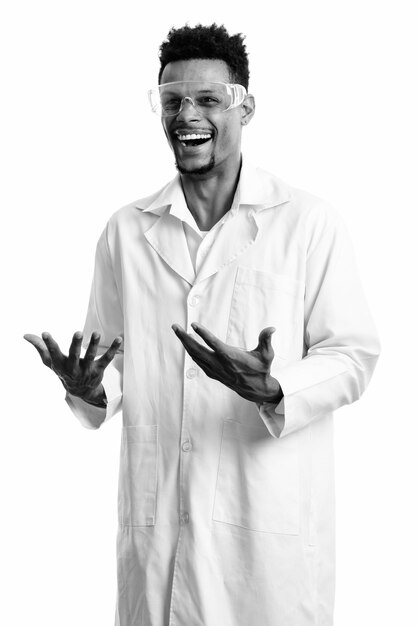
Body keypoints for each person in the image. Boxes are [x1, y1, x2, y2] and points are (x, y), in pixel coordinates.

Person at [24, 23, 380, 626]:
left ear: (245, 107)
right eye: (173, 100)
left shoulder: (308, 224)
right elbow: (115, 361)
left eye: (208, 99)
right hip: (158, 536)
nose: (187, 114)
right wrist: (89, 388)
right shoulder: (126, 232)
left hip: (266, 543)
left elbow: (353, 354)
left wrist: (275, 387)